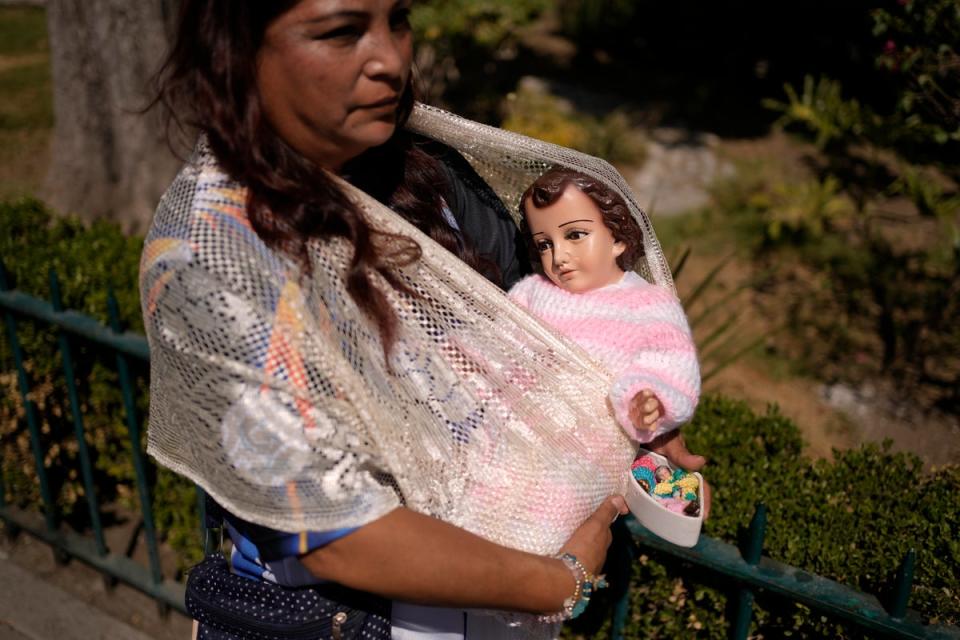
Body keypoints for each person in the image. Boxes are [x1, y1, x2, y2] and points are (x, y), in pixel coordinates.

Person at [142, 1, 709, 638]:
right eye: (341, 31)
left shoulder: (424, 169)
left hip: (496, 597)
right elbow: (336, 533)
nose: (390, 59)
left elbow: (561, 334)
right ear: (235, 50)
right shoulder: (214, 252)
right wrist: (560, 582)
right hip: (353, 616)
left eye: (398, 18)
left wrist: (642, 413)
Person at [508, 167, 701, 442]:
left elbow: (673, 367)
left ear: (618, 238)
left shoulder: (649, 304)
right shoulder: (533, 291)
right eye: (544, 244)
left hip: (590, 446)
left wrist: (648, 400)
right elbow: (498, 339)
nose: (559, 256)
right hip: (514, 428)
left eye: (575, 235)